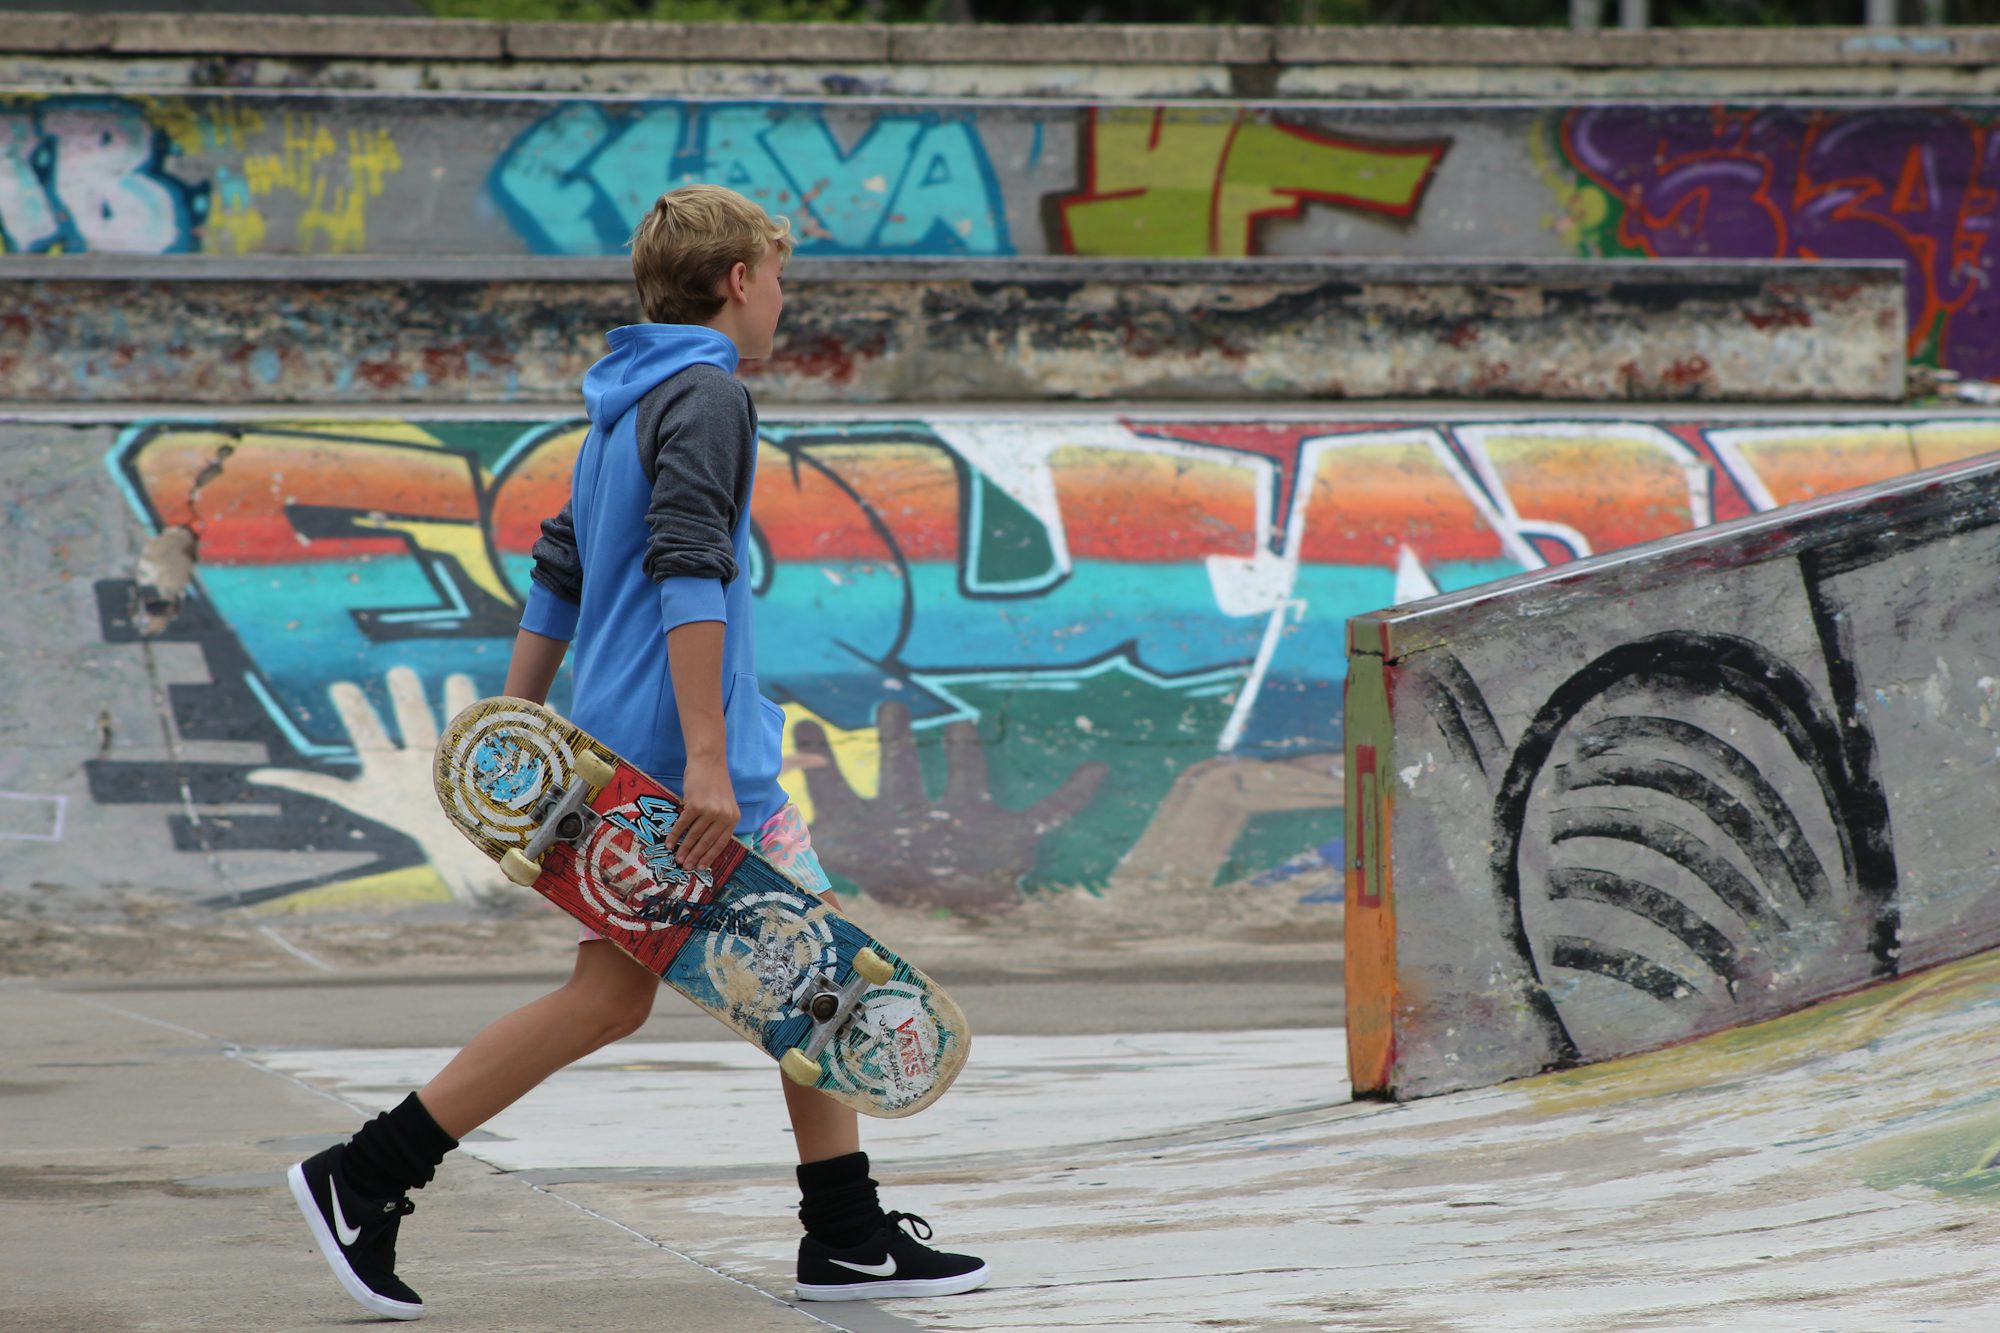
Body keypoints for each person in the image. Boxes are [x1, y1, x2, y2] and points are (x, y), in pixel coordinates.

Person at [285, 184, 990, 1321]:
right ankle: (363, 1174)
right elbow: (687, 564)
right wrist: (706, 760)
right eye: (779, 280)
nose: (782, 303)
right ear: (739, 280)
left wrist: (514, 729)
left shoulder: (622, 398)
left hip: (622, 748)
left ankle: (844, 1233)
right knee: (778, 981)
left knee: (781, 980)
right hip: (683, 761)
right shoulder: (709, 391)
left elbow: (560, 565)